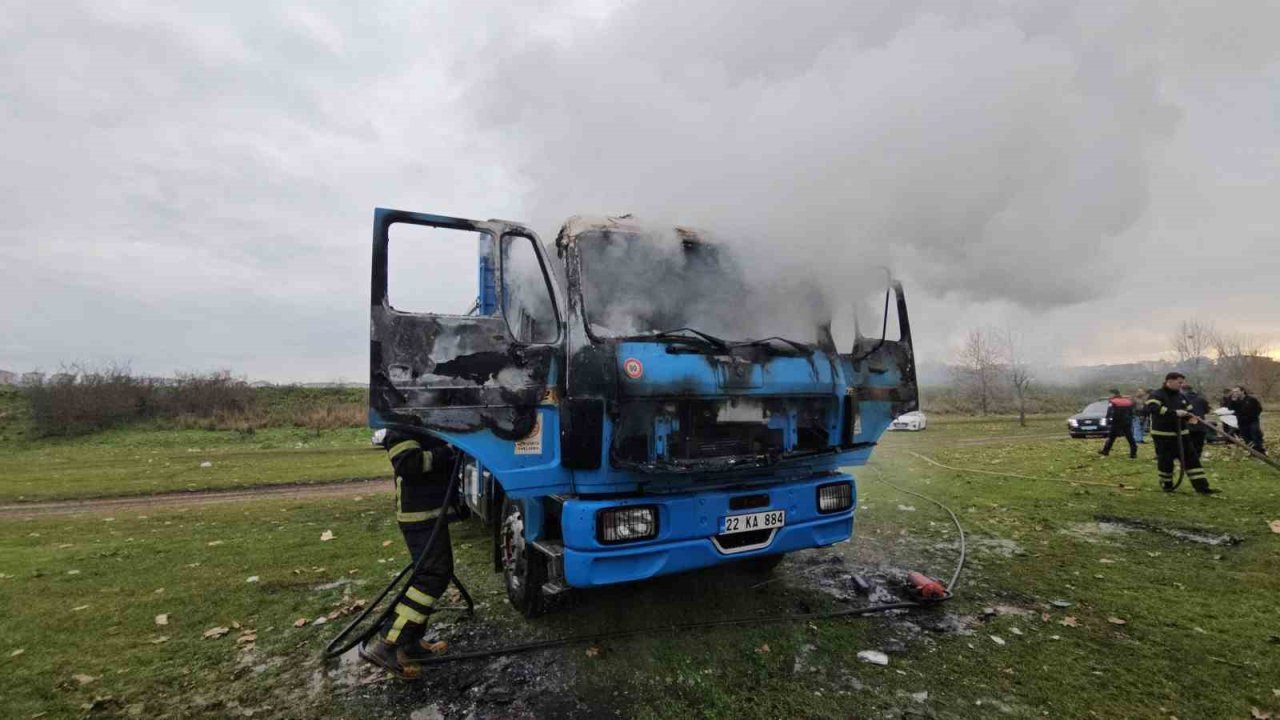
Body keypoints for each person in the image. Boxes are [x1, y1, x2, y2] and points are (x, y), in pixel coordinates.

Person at [360, 428, 458, 679]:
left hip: (430, 513)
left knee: (433, 575)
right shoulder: (399, 426)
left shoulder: (414, 423)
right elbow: (409, 464)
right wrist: (447, 451)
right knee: (431, 577)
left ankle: (411, 643)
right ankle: (388, 643)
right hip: (419, 515)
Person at [1142, 372, 1214, 494]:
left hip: (1182, 434)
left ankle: (1202, 487)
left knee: (1192, 460)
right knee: (1166, 461)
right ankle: (1167, 485)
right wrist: (1173, 413)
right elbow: (1151, 408)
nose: (1181, 385)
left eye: (1182, 383)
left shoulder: (1181, 396)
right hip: (1163, 435)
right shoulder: (1157, 394)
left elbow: (1190, 411)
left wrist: (1191, 418)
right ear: (1169, 381)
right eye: (1179, 382)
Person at [1227, 387, 1266, 454]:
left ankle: (1260, 451)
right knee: (1246, 437)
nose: (1235, 393)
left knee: (1255, 434)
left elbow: (1259, 409)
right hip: (1241, 422)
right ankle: (1252, 451)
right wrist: (1233, 401)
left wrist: (1253, 415)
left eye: (1237, 391)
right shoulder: (1235, 401)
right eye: (1234, 392)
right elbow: (1230, 408)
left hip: (1252, 421)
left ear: (1242, 391)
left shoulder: (1251, 399)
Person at [1099, 389, 1137, 458]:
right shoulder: (1127, 401)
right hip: (1127, 421)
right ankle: (1133, 453)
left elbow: (1110, 411)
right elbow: (1131, 411)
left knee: (1111, 437)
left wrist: (1107, 419)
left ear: (1113, 394)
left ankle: (1105, 451)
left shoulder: (1113, 401)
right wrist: (1130, 418)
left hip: (1116, 421)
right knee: (1130, 437)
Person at [1182, 384, 1211, 457]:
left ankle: (1188, 458)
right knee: (1198, 444)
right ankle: (1197, 457)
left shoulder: (1181, 399)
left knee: (1187, 444)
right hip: (1200, 424)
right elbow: (1207, 410)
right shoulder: (1201, 399)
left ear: (1182, 390)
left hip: (1186, 425)